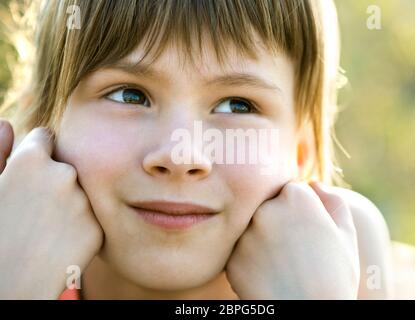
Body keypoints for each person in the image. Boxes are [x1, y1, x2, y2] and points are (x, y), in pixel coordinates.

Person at [0, 0, 392, 299]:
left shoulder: (347, 262)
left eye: (238, 105)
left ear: (301, 152)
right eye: (129, 95)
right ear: (39, 126)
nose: (180, 155)